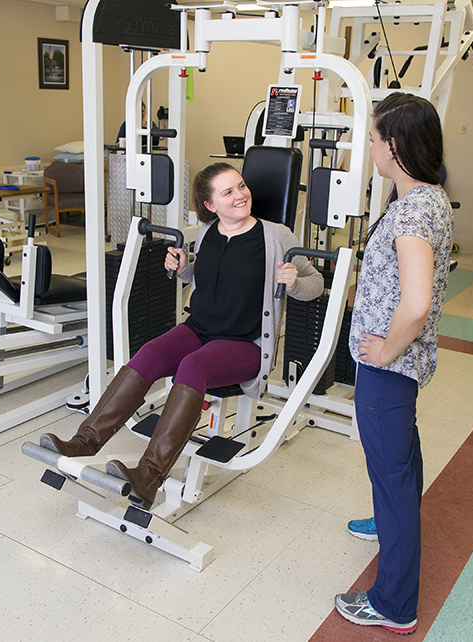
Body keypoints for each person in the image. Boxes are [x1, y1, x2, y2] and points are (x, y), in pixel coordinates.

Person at [40, 162, 324, 508]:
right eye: (228, 192)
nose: (241, 195)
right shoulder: (208, 232)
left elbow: (316, 284)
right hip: (199, 328)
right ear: (210, 205)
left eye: (241, 186)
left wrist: (294, 282)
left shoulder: (276, 236)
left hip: (244, 343)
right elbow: (202, 280)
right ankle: (83, 443)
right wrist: (183, 268)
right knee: (149, 354)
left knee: (193, 366)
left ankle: (148, 476)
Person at [333, 93, 453, 635]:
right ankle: (388, 522)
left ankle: (394, 604)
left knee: (393, 477)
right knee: (401, 460)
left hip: (390, 366)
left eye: (376, 138)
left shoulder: (411, 211)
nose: (372, 147)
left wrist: (383, 349)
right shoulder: (427, 198)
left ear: (394, 146)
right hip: (399, 365)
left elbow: (417, 302)